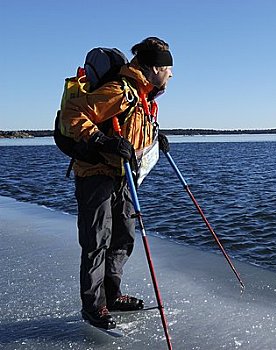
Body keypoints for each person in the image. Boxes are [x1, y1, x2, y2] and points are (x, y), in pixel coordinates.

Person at [61, 37, 173, 329]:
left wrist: (154, 139)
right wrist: (100, 139)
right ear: (153, 68)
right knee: (96, 239)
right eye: (168, 68)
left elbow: (131, 131)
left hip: (123, 176)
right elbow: (73, 115)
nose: (171, 74)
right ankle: (93, 305)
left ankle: (112, 295)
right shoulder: (120, 91)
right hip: (95, 173)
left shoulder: (145, 97)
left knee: (123, 236)